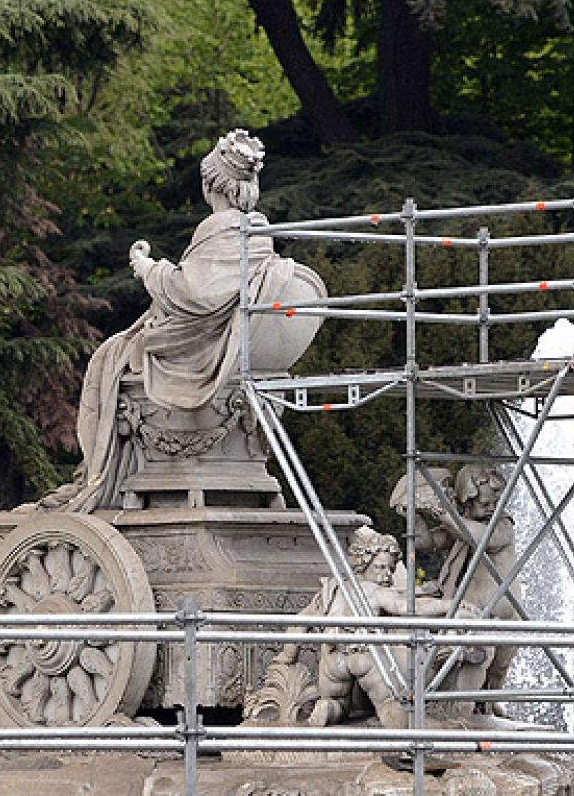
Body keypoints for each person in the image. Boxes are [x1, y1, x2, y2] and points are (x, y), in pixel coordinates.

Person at [43, 130, 295, 512]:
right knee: (121, 349)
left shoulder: (220, 228)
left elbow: (189, 292)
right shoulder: (260, 233)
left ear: (212, 186)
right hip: (220, 344)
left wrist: (147, 268)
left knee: (110, 355)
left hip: (197, 348)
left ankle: (102, 474)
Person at [273, 527, 480, 727]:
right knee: (389, 704)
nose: (387, 575)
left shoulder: (332, 589)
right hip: (363, 656)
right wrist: (451, 604)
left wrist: (287, 656)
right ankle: (405, 738)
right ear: (364, 564)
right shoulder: (375, 592)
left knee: (339, 703)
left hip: (332, 658)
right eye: (380, 567)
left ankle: (327, 708)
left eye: (391, 569)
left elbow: (300, 622)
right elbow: (409, 607)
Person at [402, 464, 521, 712]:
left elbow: (480, 539)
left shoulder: (501, 525)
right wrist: (413, 515)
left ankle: (482, 710)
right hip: (472, 613)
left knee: (495, 674)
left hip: (503, 616)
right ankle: (459, 712)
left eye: (493, 502)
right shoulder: (462, 525)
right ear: (467, 501)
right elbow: (425, 542)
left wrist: (441, 511)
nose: (491, 508)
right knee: (470, 661)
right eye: (484, 503)